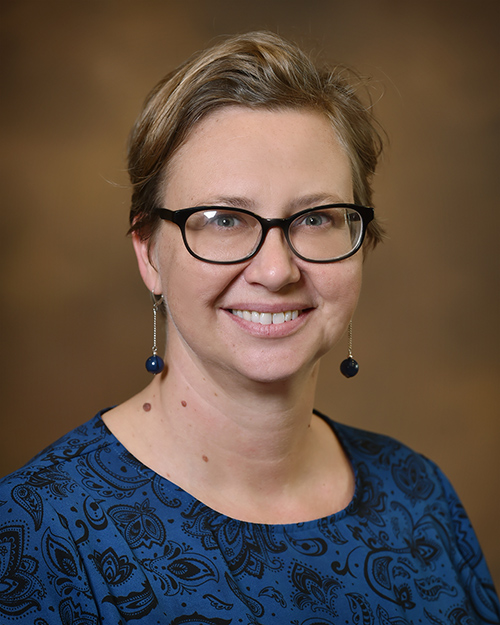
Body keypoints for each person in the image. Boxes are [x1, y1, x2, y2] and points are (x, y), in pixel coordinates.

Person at [0, 31, 498, 624]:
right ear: (148, 253)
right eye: (224, 219)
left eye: (315, 218)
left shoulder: (419, 496)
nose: (276, 270)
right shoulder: (36, 534)